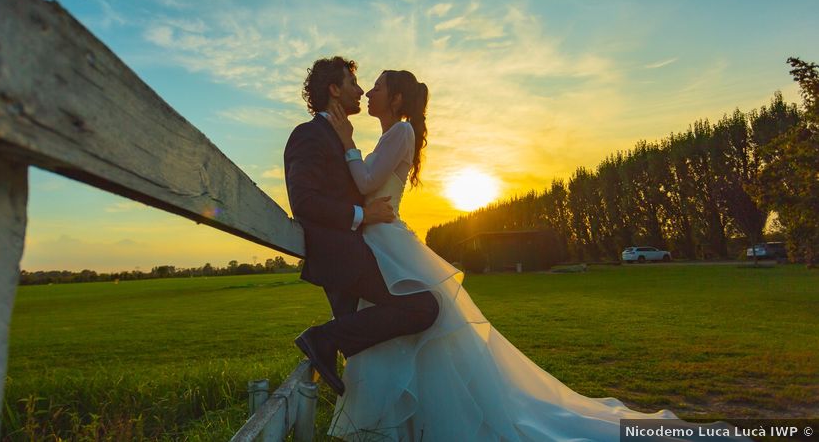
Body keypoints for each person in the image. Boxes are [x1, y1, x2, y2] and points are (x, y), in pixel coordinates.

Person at [322, 69, 753, 441]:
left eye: (377, 86)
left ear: (395, 98)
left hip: (387, 243)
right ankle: (402, 420)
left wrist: (345, 142)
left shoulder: (400, 131)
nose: (369, 92)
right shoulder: (389, 136)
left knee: (419, 321)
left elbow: (363, 183)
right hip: (379, 241)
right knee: (402, 327)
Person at [283, 56, 439, 396]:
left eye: (370, 86)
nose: (362, 91)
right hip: (339, 254)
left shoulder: (339, 136)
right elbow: (304, 202)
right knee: (423, 306)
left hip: (356, 249)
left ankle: (367, 414)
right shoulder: (309, 134)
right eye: (354, 84)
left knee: (377, 339)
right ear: (334, 90)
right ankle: (322, 339)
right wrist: (362, 216)